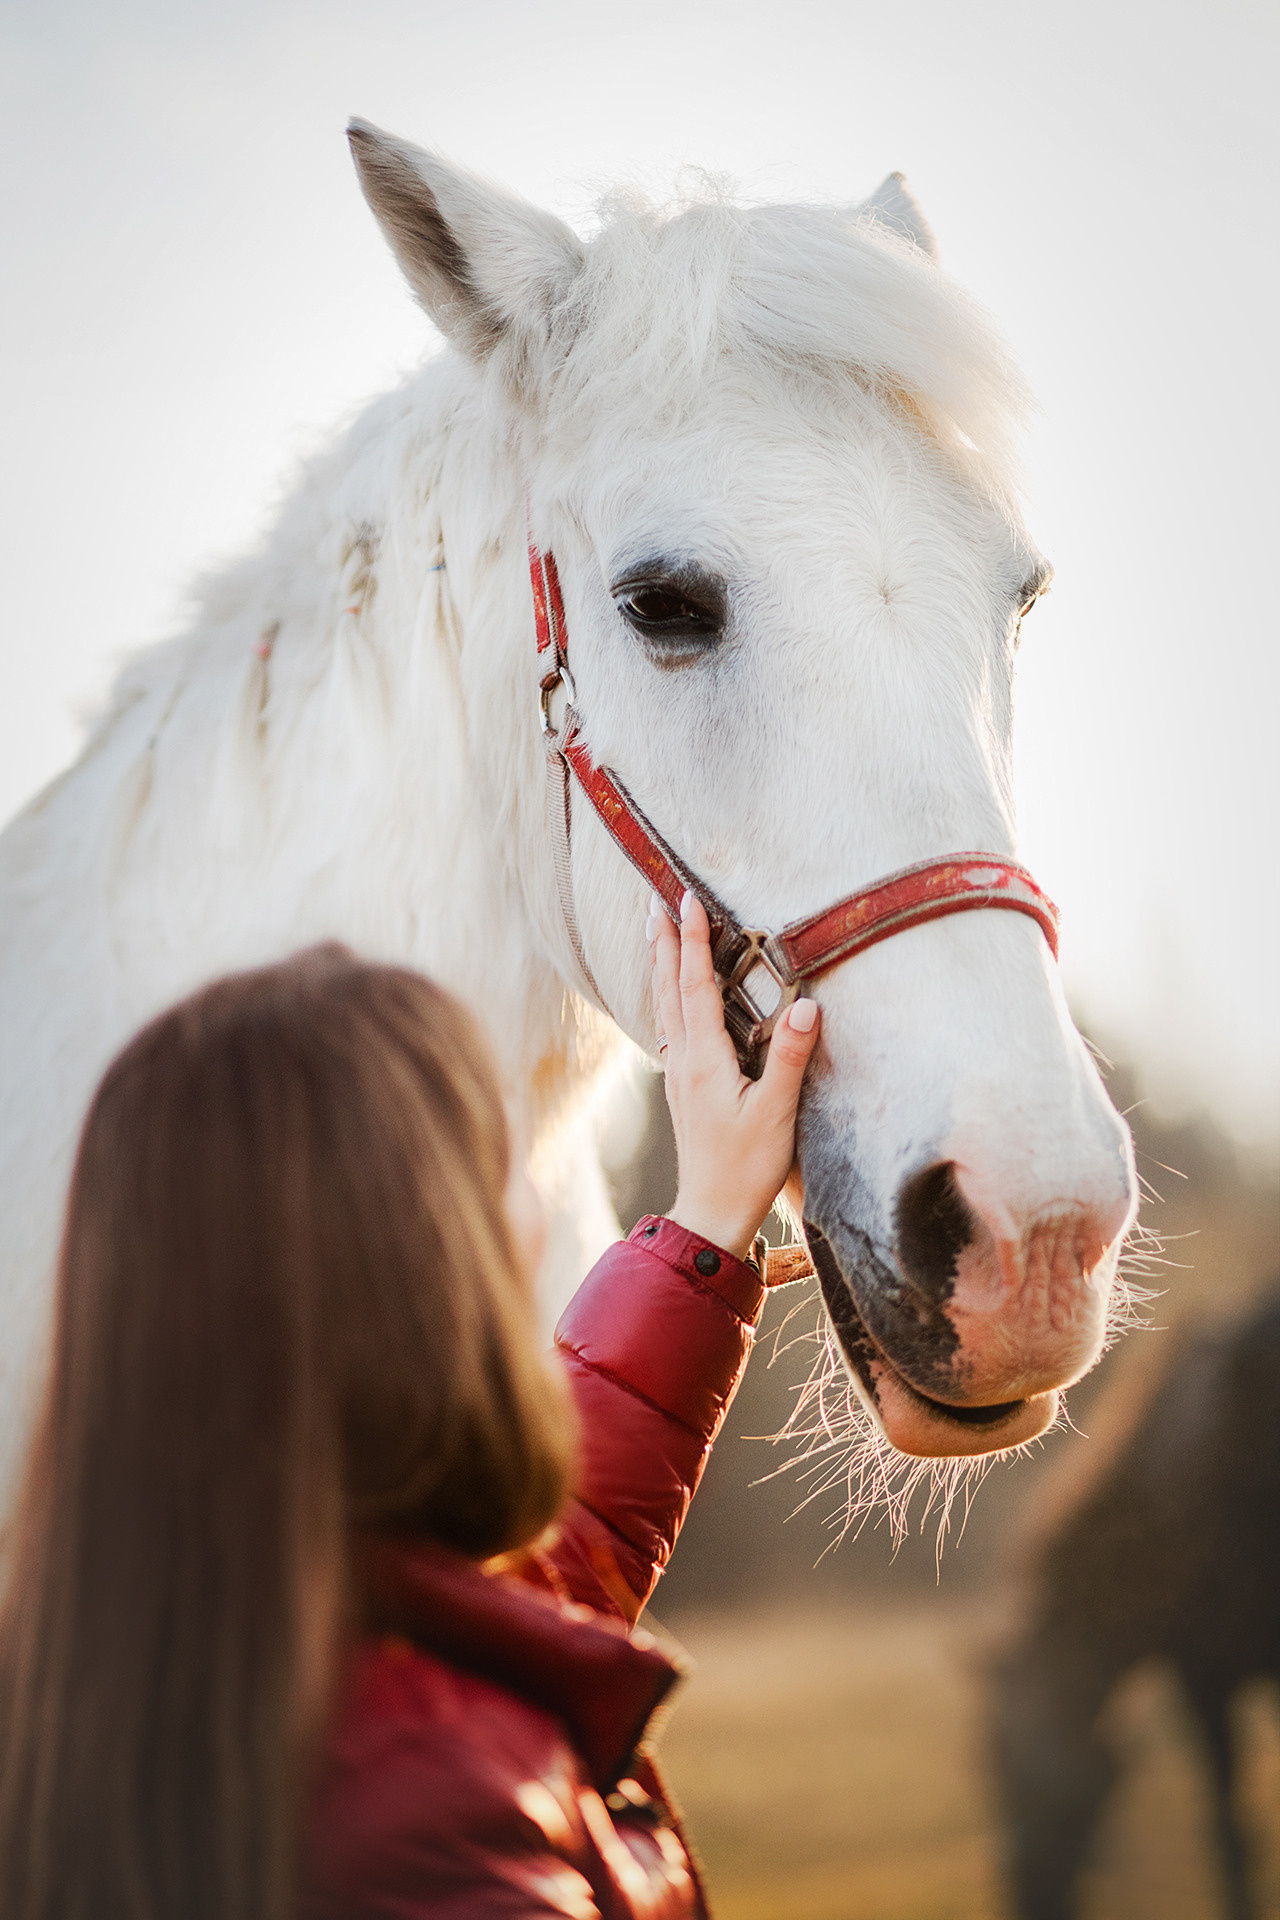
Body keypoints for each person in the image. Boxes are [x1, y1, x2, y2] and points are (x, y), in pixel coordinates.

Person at [0, 892, 819, 1920]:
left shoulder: (160, 1663)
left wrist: (710, 1217)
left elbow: (530, 1593)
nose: (536, 1220)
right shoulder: (439, 1822)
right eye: (506, 1171)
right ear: (415, 1269)